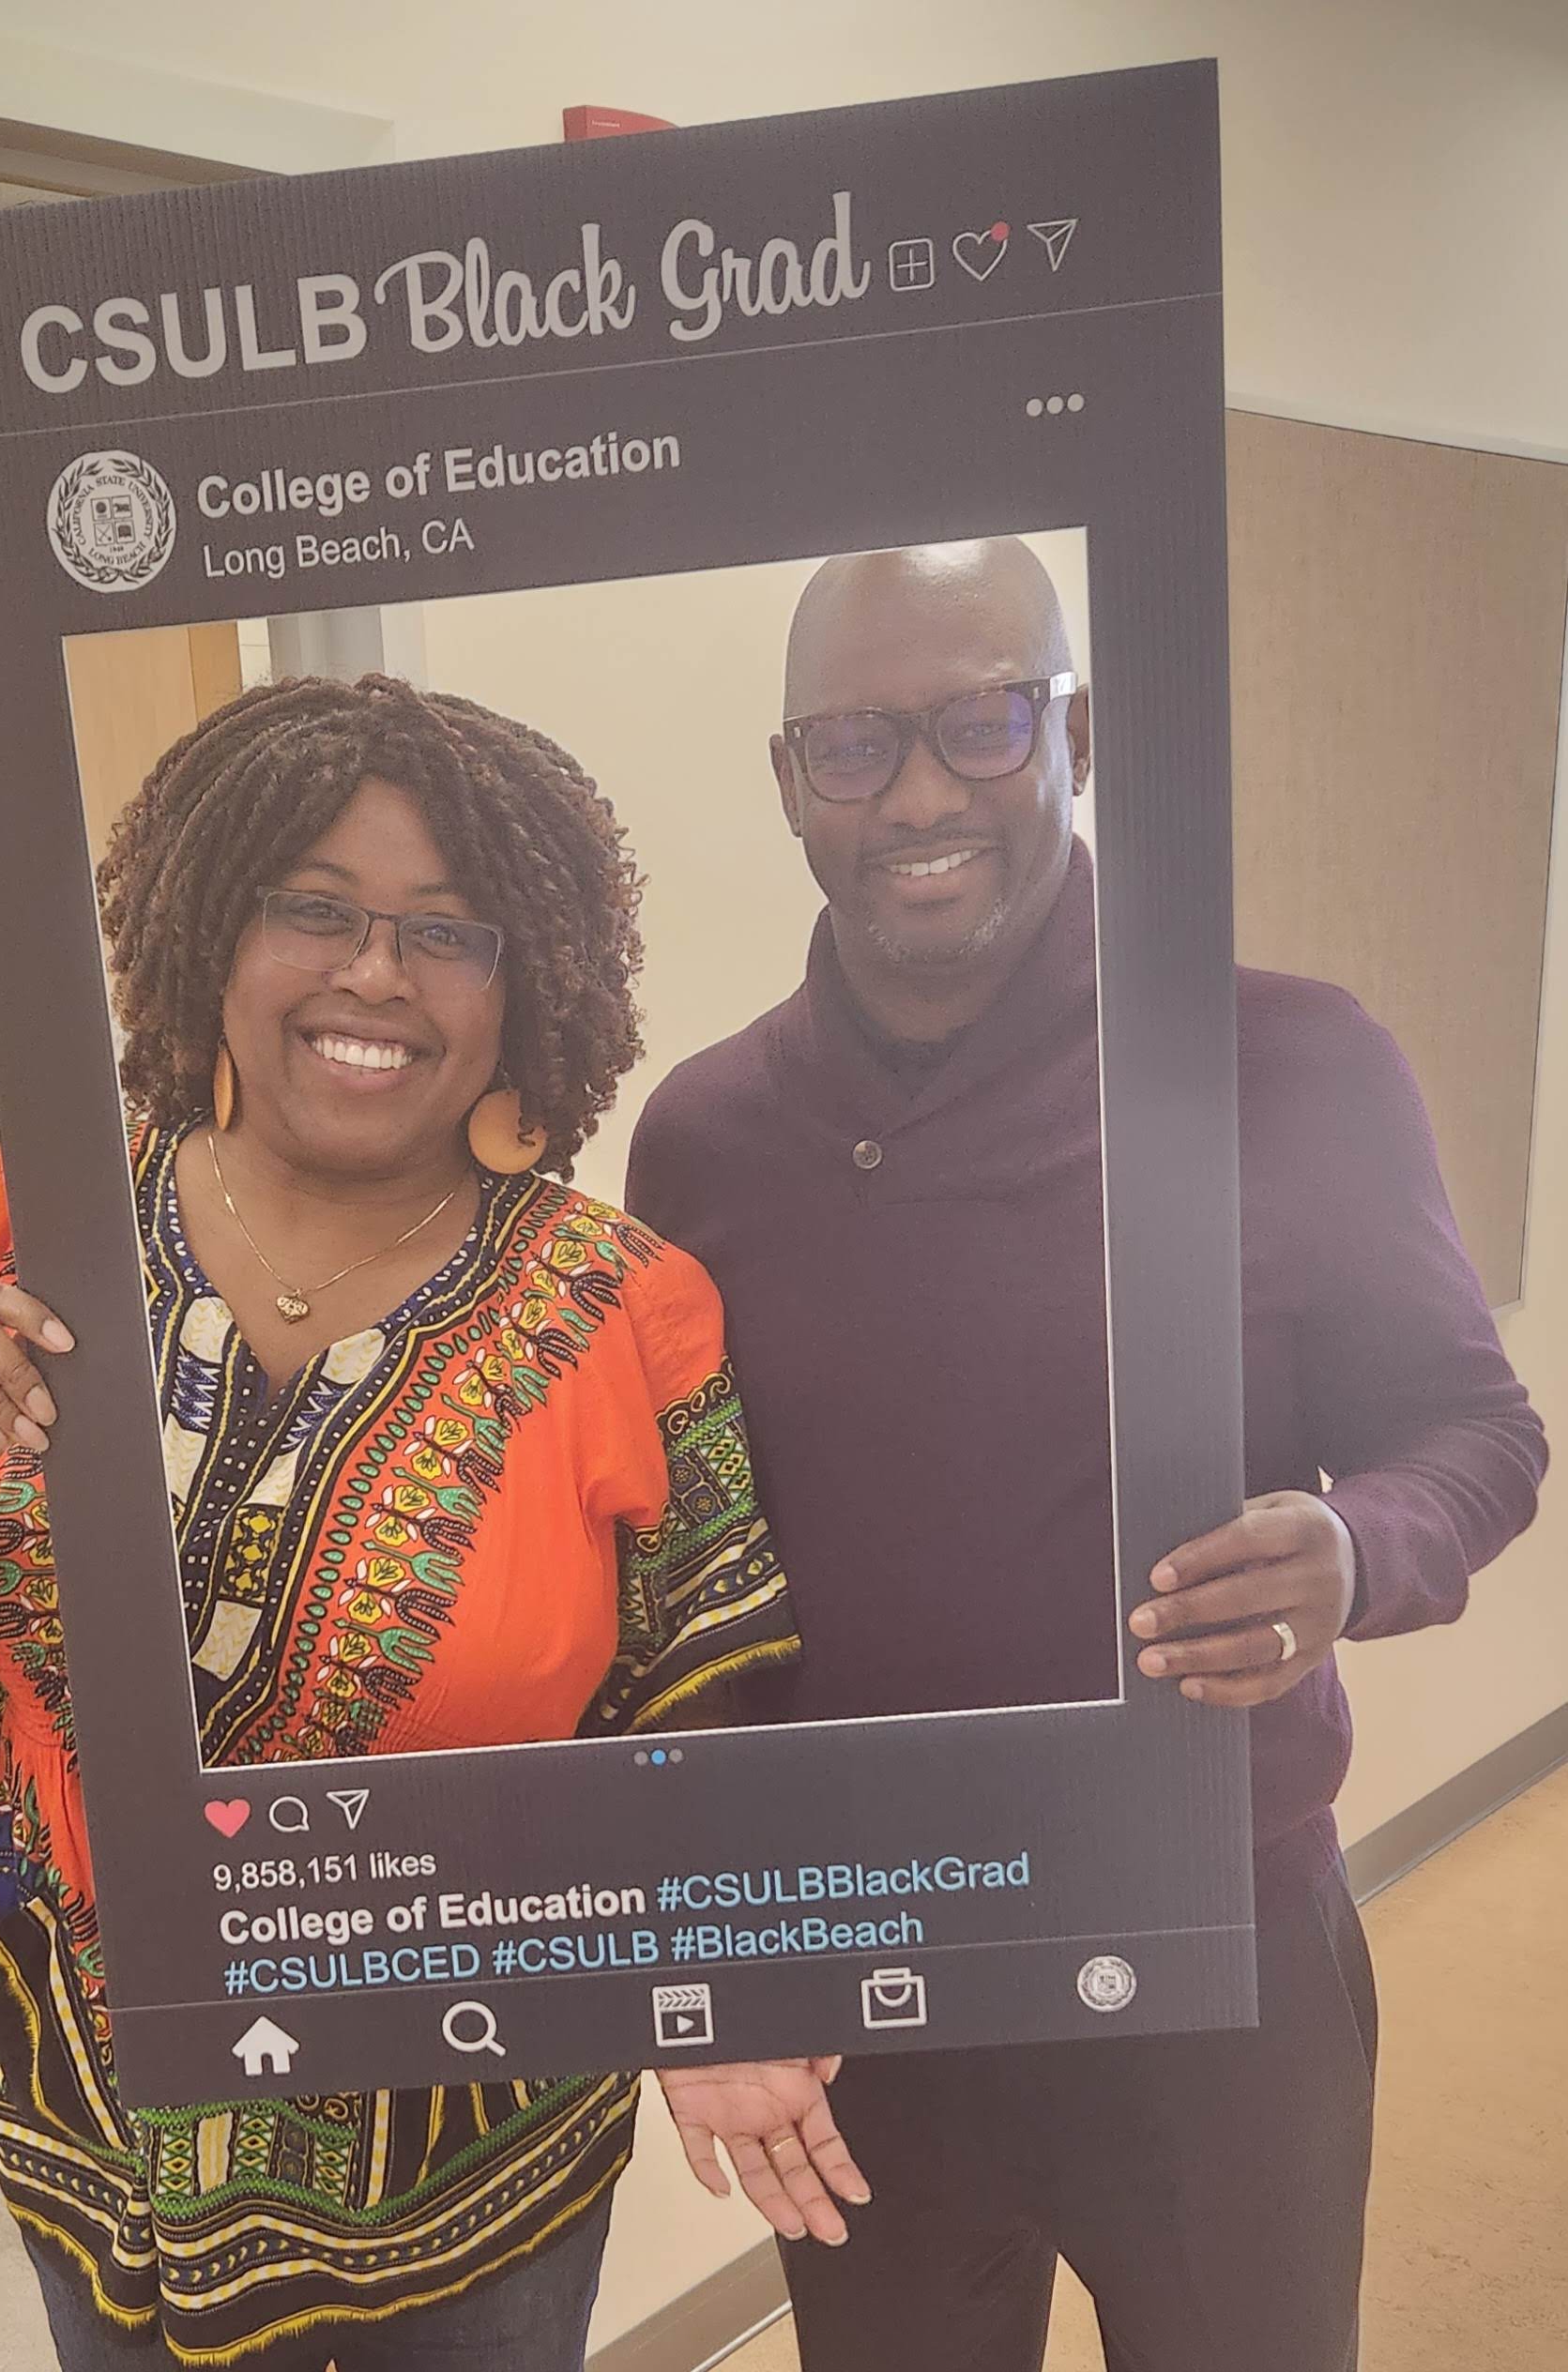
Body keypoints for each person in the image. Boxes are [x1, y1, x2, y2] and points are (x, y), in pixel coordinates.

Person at [0, 674, 826, 2371]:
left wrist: (724, 1997)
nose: (375, 973)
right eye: (314, 907)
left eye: (450, 932)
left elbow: (699, 1717)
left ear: (530, 992)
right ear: (210, 934)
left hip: (472, 2148)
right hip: (85, 2090)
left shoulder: (626, 1310)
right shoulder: (14, 1214)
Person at [627, 539, 1548, 2371]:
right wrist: (707, 1950)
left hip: (1214, 1944)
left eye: (981, 724)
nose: (916, 796)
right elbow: (687, 1599)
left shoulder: (1284, 1060)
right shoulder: (707, 1140)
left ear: (1076, 730)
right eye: (851, 745)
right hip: (865, 1967)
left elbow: (1475, 1435)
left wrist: (1354, 1548)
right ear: (788, 779)